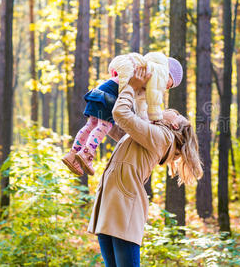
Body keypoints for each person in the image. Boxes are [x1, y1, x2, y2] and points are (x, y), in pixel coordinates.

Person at [88, 66, 203, 267]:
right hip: (111, 205)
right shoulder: (149, 133)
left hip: (125, 209)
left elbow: (121, 113)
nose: (169, 111)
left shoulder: (162, 137)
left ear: (174, 126)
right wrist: (100, 104)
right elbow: (117, 125)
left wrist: (132, 87)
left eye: (174, 114)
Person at [62, 53, 183, 176]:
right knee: (104, 126)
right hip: (110, 95)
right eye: (171, 83)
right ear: (168, 74)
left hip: (103, 89)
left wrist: (146, 120)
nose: (168, 87)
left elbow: (141, 106)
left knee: (91, 125)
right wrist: (155, 118)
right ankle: (87, 154)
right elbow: (153, 101)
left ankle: (72, 154)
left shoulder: (145, 71)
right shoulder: (156, 75)